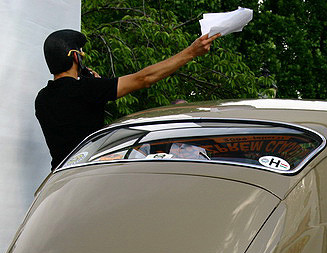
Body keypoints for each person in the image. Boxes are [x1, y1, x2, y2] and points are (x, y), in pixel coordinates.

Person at [35, 29, 219, 170]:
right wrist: (191, 52)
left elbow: (73, 111)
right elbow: (144, 78)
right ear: (75, 57)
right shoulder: (88, 89)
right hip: (88, 171)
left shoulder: (41, 99)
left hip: (60, 173)